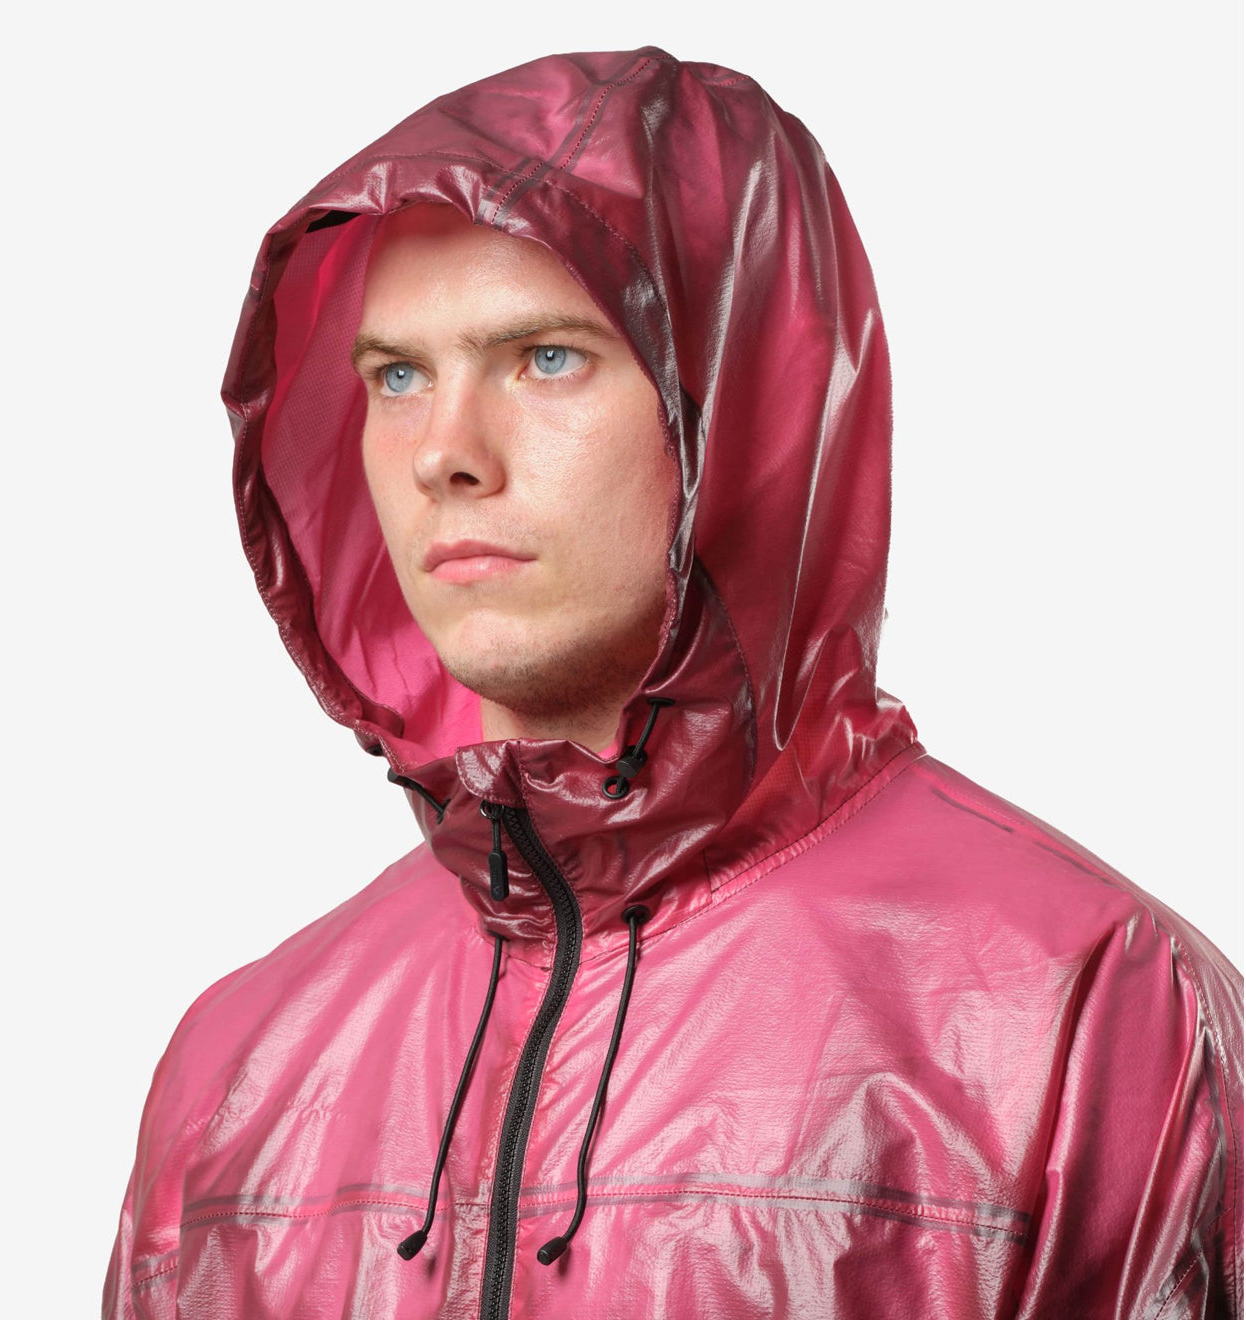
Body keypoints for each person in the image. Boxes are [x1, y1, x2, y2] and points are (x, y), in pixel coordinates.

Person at [104, 47, 1243, 1319]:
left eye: (544, 358)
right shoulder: (236, 1070)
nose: (443, 456)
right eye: (399, 376)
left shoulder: (1087, 1009)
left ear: (743, 413)